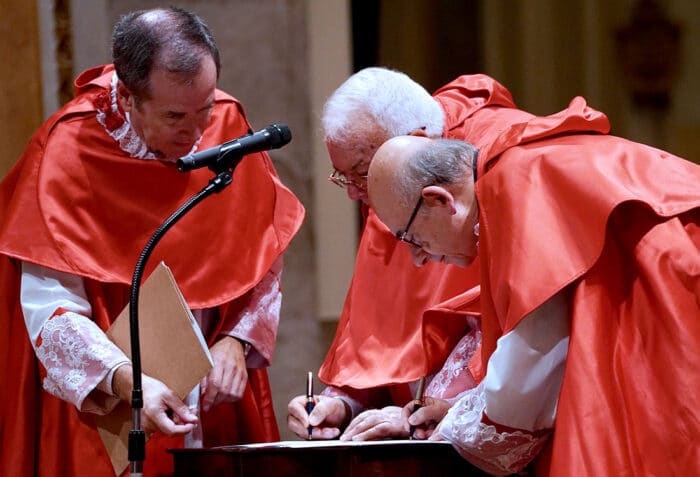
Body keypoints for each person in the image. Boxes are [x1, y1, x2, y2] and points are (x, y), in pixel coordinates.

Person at [0, 7, 304, 477]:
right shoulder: (67, 150)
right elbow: (50, 309)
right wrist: (129, 383)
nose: (198, 130)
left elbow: (262, 249)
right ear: (128, 95)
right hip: (110, 400)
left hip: (213, 395)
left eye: (205, 107)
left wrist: (236, 340)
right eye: (175, 116)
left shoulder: (223, 124)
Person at [367, 113, 700, 476]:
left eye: (410, 238)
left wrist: (451, 427)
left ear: (439, 200)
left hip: (673, 290)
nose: (417, 259)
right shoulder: (515, 166)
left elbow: (530, 372)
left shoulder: (515, 186)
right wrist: (462, 407)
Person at [287, 67, 485, 441]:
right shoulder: (388, 193)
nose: (354, 192)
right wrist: (343, 402)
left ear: (413, 140)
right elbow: (381, 333)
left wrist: (421, 414)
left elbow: (511, 337)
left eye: (360, 172)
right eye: (342, 176)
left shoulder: (484, 169)